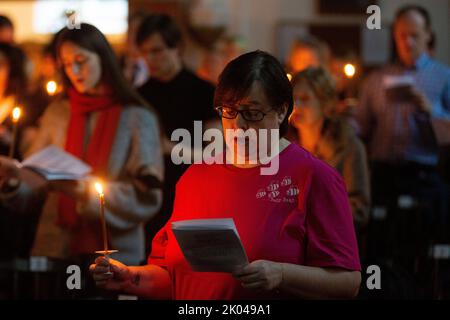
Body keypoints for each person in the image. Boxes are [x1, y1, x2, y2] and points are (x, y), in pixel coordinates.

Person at [90, 51, 361, 300]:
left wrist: (281, 274)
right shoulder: (195, 178)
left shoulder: (313, 176)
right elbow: (173, 276)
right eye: (229, 112)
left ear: (281, 111)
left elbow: (348, 282)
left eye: (252, 113)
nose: (238, 125)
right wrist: (131, 277)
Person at [0, 23, 163, 267]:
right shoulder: (58, 112)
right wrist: (14, 181)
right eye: (66, 64)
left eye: (81, 60)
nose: (74, 70)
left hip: (117, 254)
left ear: (103, 58)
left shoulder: (137, 117)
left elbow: (147, 196)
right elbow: (34, 186)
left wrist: (85, 191)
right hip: (56, 249)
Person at [356, 5, 450, 270]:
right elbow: (360, 125)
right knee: (380, 249)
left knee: (421, 250)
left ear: (428, 35)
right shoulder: (377, 78)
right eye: (401, 35)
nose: (407, 42)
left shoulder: (444, 77)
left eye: (414, 35)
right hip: (384, 175)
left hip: (425, 177)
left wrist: (432, 111)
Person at [135, 14, 217, 253]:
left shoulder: (204, 92)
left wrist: (168, 147)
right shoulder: (139, 96)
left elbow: (215, 154)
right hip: (150, 201)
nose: (150, 59)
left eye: (157, 50)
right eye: (145, 52)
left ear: (177, 48)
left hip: (194, 198)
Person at [288, 67, 370, 237]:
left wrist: (316, 215)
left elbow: (359, 209)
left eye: (305, 99)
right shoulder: (285, 147)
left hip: (330, 239)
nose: (297, 106)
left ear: (324, 104)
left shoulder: (348, 147)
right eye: (294, 99)